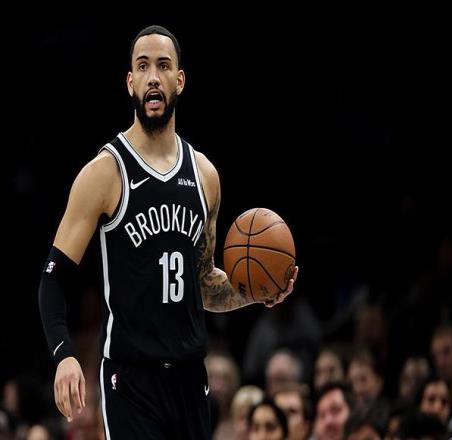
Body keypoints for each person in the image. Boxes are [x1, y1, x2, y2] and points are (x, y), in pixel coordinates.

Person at [38, 25, 298, 439]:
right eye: (143, 67)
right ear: (130, 83)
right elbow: (53, 278)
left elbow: (204, 284)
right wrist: (64, 354)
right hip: (130, 381)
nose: (153, 77)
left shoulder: (205, 176)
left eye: (163, 66)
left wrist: (255, 291)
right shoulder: (105, 172)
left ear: (180, 80)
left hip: (190, 377)